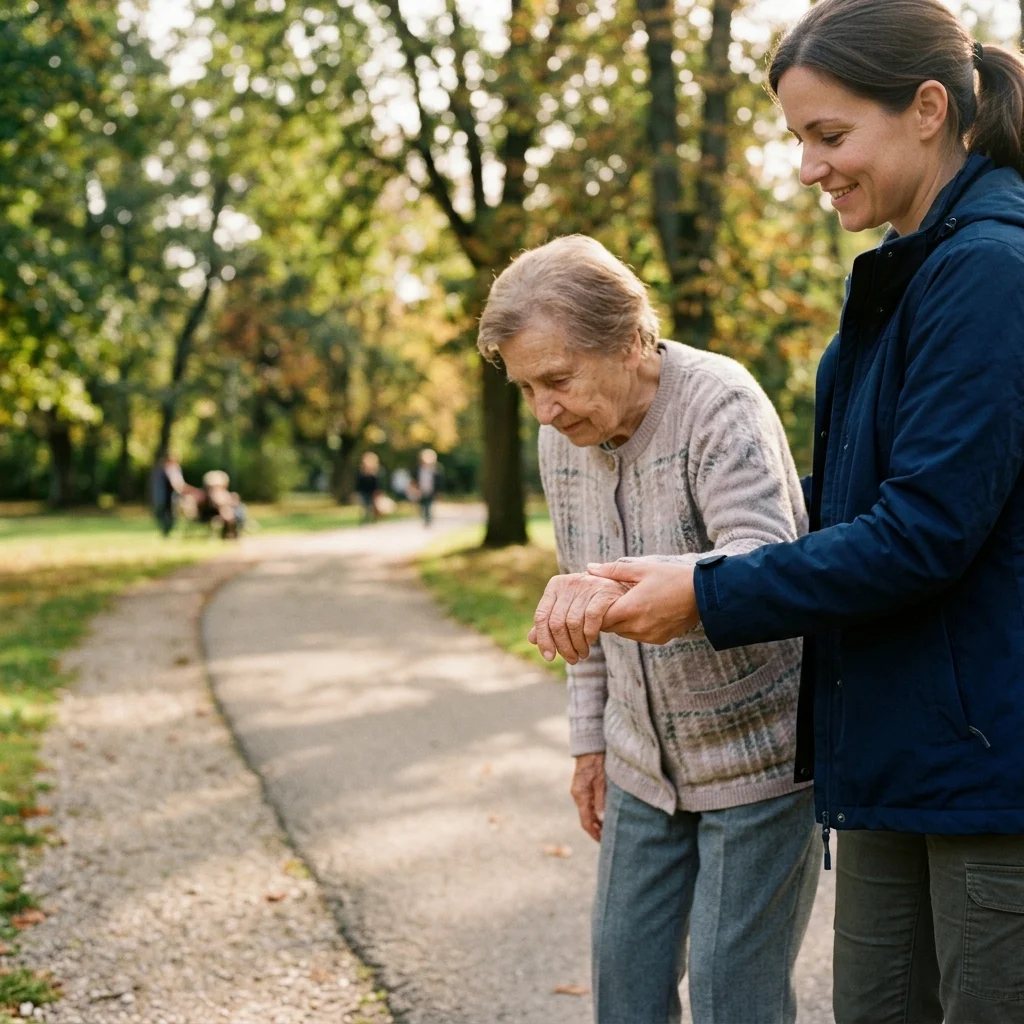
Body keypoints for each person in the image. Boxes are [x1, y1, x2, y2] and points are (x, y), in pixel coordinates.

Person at [531, 3, 1024, 1022]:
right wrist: (680, 558)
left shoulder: (987, 271)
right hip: (894, 751)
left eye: (828, 134)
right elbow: (848, 510)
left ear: (928, 109)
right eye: (798, 136)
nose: (806, 167)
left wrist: (706, 591)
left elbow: (921, 533)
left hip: (984, 767)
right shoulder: (906, 272)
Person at [479, 235, 819, 1024]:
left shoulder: (719, 401)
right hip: (639, 763)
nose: (545, 410)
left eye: (556, 381)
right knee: (626, 997)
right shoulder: (559, 439)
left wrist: (680, 587)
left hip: (755, 759)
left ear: (631, 340)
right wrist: (589, 743)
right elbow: (579, 603)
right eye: (527, 390)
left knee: (736, 1002)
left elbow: (766, 566)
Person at [150, 454, 186, 536]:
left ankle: (166, 531)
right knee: (164, 514)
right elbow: (177, 484)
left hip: (169, 497)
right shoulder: (166, 470)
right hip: (165, 497)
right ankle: (165, 530)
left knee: (169, 515)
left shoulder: (172, 469)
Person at [355, 451, 381, 523]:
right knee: (365, 506)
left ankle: (372, 519)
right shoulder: (361, 471)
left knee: (372, 506)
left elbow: (377, 483)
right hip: (363, 492)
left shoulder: (375, 472)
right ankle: (365, 520)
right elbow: (359, 483)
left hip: (372, 492)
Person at [416, 448, 438, 526]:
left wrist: (438, 491)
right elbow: (416, 479)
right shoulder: (419, 469)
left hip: (431, 490)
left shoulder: (435, 469)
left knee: (429, 505)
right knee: (422, 505)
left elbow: (439, 481)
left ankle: (428, 519)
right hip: (421, 490)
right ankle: (425, 517)